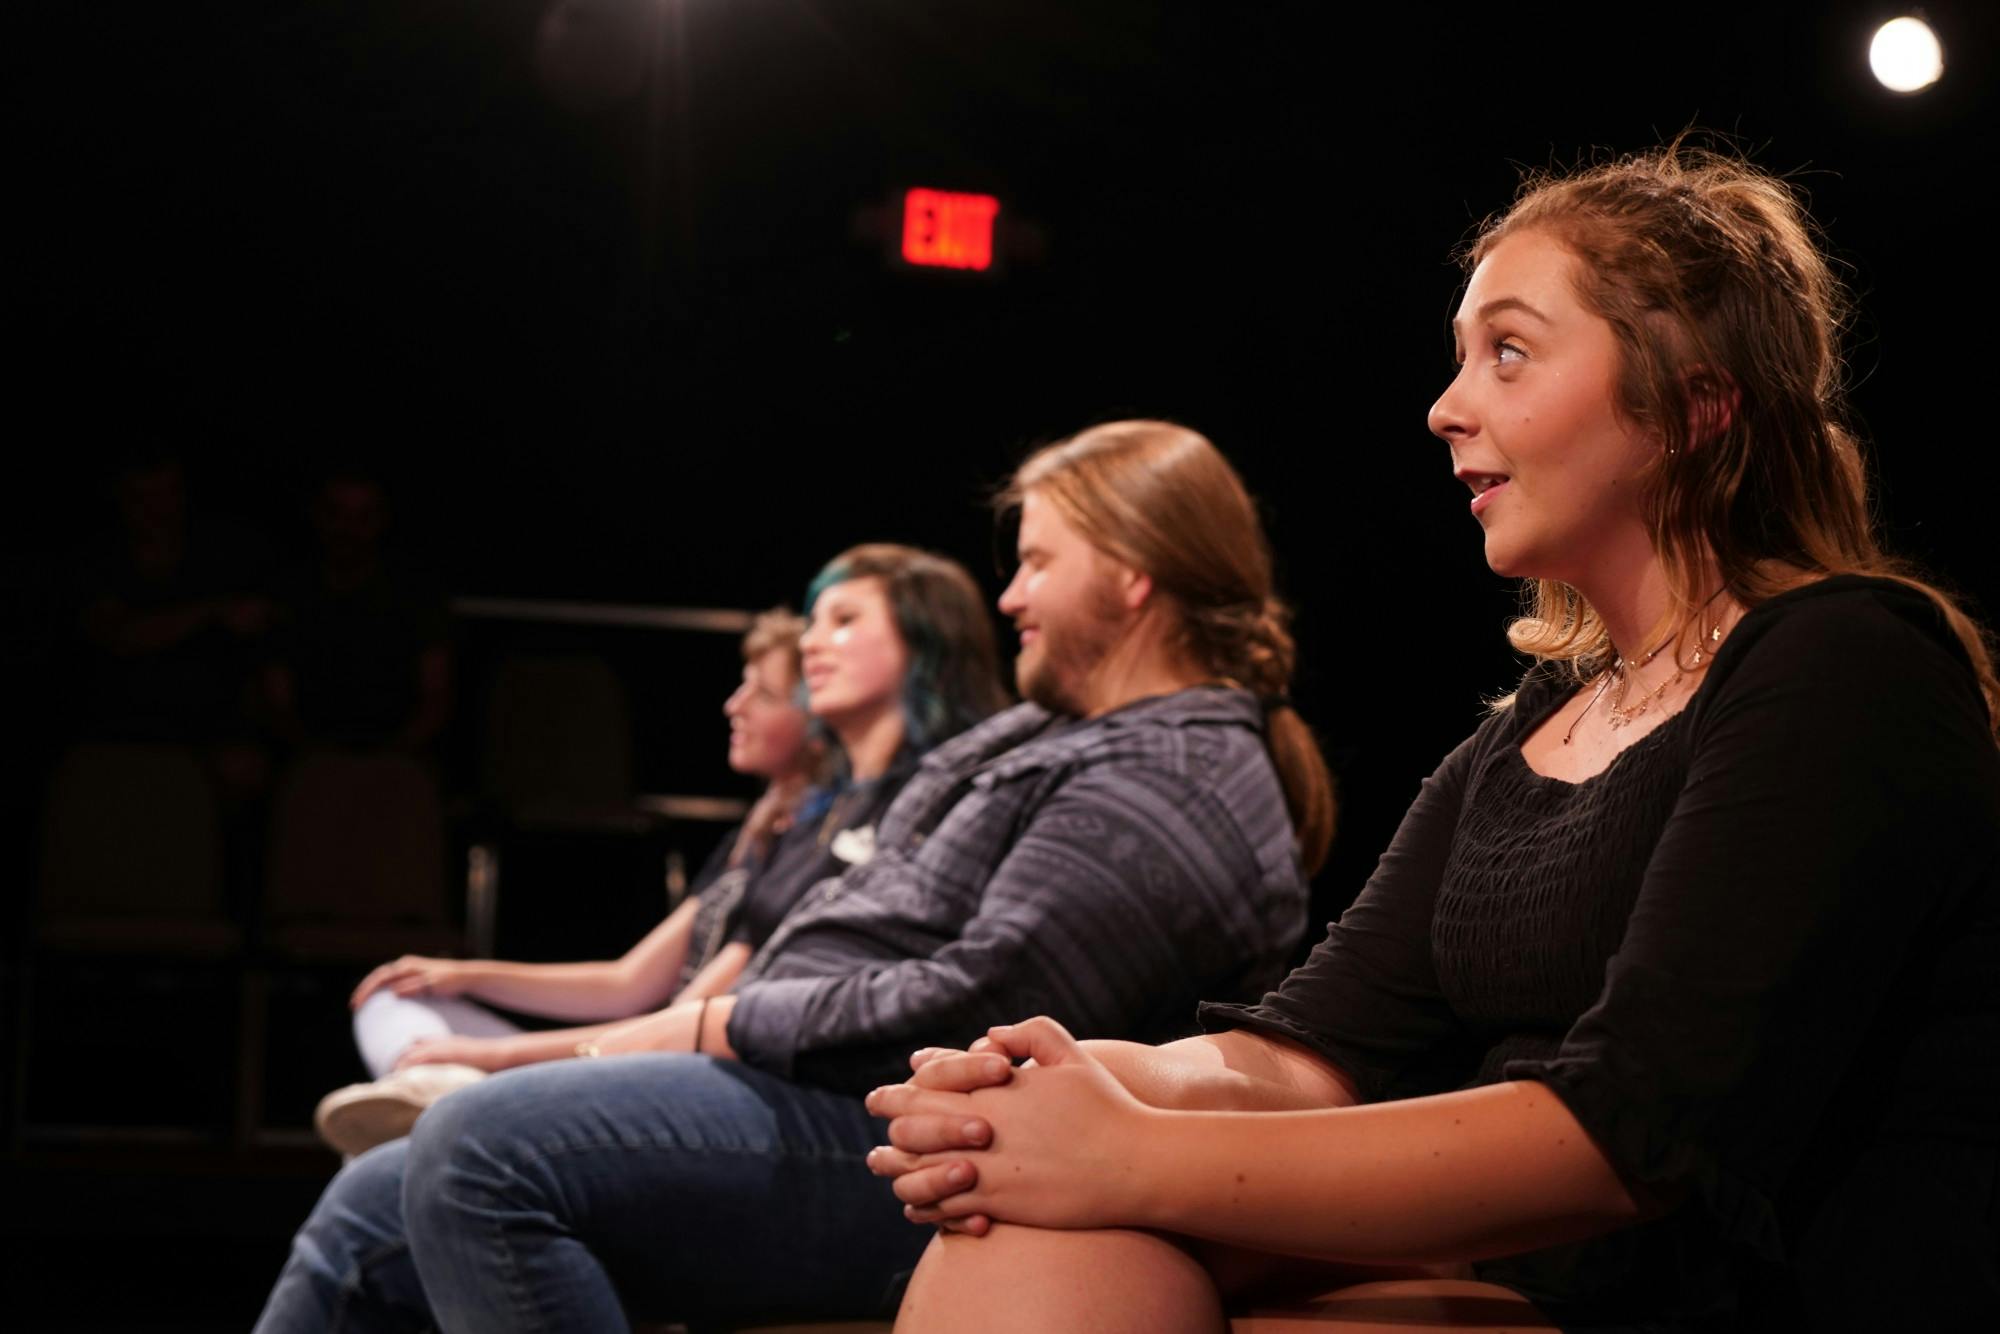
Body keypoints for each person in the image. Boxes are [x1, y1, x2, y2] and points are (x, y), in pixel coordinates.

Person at [869, 146, 2000, 1332]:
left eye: (1505, 352)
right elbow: (1311, 1049)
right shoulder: (1538, 721)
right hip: (1543, 1277)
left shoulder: (1843, 661)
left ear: (1689, 405)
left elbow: (1629, 1133)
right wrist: (1055, 1084)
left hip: (1729, 1292)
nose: (1443, 406)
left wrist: (1134, 1154)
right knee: (1028, 1239)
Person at [251, 420, 1333, 1332]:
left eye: (1037, 560)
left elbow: (988, 1001)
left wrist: (725, 1022)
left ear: (1132, 572)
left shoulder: (1176, 771)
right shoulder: (1062, 737)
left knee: (481, 1149)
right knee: (368, 1199)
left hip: (909, 1143)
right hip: (829, 1093)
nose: (1009, 595)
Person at [314, 544, 1010, 1154]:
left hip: (762, 1084)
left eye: (845, 620)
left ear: (925, 641)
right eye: (816, 621)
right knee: (393, 1022)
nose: (812, 646)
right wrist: (464, 983)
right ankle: (434, 1110)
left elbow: (715, 1015)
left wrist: (497, 1062)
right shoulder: (809, 820)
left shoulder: (925, 808)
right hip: (686, 1051)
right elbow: (638, 981)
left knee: (403, 1169)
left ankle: (441, 1110)